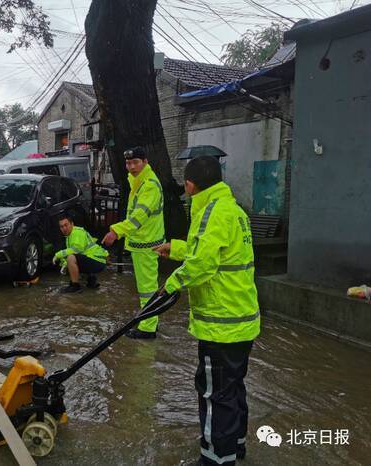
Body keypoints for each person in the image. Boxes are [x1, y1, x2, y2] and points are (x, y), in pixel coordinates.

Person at [155, 155, 260, 466]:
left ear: (189, 185)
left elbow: (202, 264)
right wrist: (174, 248)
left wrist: (171, 283)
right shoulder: (233, 210)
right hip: (242, 321)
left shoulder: (210, 212)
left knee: (214, 393)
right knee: (233, 386)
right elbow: (212, 251)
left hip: (221, 324)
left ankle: (215, 458)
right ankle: (236, 445)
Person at [102, 146, 164, 339]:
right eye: (128, 163)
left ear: (145, 162)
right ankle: (148, 320)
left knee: (147, 289)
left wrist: (116, 231)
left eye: (135, 162)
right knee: (146, 287)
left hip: (147, 244)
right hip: (142, 242)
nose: (131, 167)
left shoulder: (149, 185)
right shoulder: (139, 182)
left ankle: (148, 328)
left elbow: (138, 217)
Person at [52, 214, 108, 292]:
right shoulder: (71, 234)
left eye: (66, 225)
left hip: (97, 260)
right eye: (61, 226)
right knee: (71, 261)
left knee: (71, 258)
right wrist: (65, 264)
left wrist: (58, 255)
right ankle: (91, 281)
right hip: (97, 259)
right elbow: (81, 253)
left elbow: (76, 250)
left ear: (72, 224)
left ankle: (75, 286)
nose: (64, 228)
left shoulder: (76, 233)